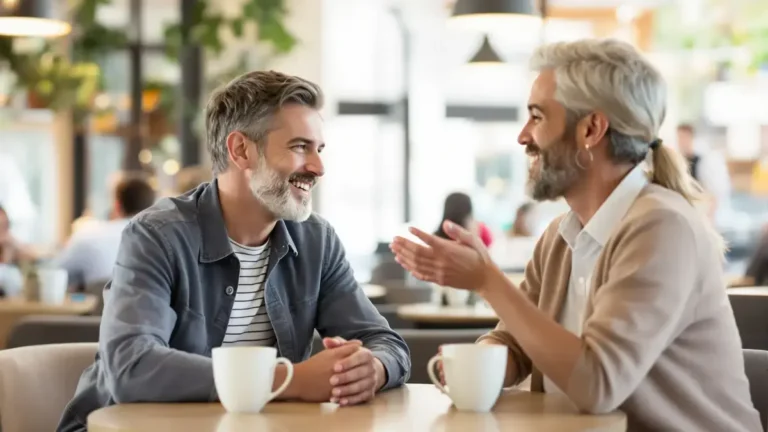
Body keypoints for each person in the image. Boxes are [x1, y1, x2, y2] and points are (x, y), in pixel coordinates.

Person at [390, 39, 760, 431]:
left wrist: (486, 280)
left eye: (536, 116)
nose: (522, 136)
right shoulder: (560, 235)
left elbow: (598, 383)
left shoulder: (662, 227)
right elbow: (518, 341)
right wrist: (489, 361)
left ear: (591, 129)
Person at [57, 71, 410, 432]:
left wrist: (372, 369)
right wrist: (292, 380)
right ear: (241, 150)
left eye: (318, 149)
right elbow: (131, 367)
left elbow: (385, 342)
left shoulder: (316, 240)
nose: (319, 168)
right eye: (300, 147)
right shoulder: (157, 235)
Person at [56, 176, 156, 286]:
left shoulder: (88, 235)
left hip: (100, 302)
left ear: (117, 205)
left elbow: (55, 273)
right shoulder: (162, 242)